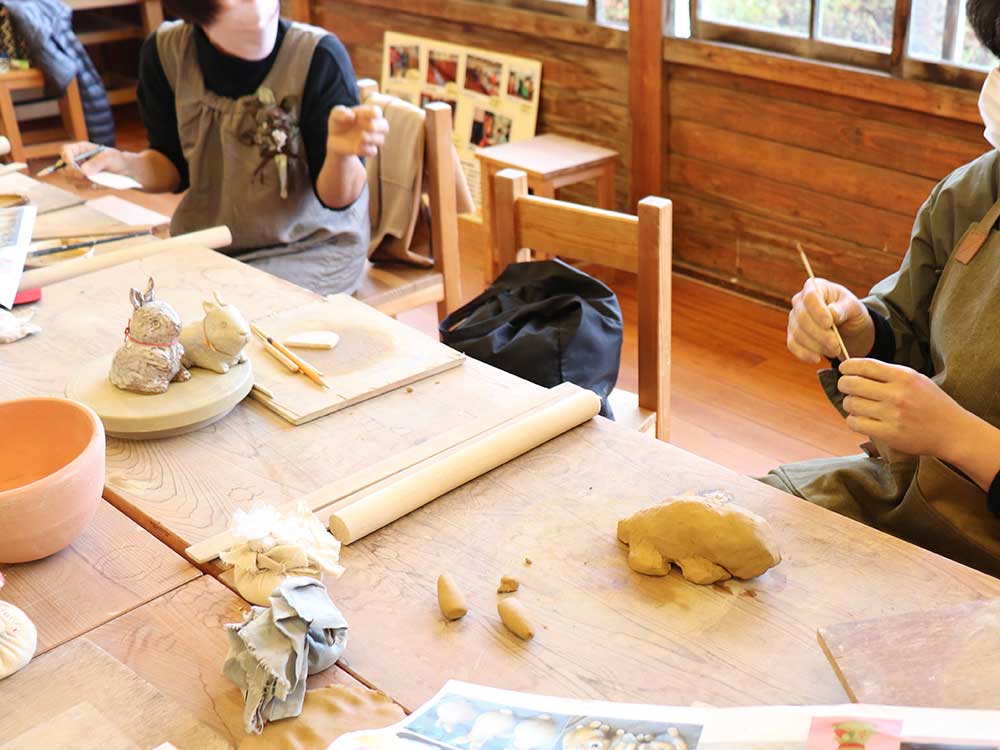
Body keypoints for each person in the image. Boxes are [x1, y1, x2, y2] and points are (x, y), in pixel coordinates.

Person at [762, 0, 1000, 577]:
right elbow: (909, 328)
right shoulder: (974, 193)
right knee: (746, 521)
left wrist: (960, 437)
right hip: (907, 492)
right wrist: (859, 327)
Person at [60, 0, 388, 296]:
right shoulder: (165, 53)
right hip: (208, 243)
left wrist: (342, 155)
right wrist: (121, 164)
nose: (260, 11)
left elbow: (338, 199)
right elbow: (172, 166)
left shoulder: (319, 56)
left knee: (224, 316)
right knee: (124, 299)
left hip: (308, 247)